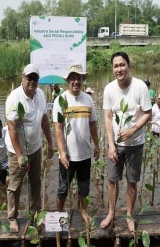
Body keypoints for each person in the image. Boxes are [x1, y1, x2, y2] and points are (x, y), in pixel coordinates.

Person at [100, 52, 152, 232]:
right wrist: (111, 145)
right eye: (116, 66)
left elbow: (147, 113)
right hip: (116, 144)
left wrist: (132, 130)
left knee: (132, 181)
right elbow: (107, 117)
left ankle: (129, 215)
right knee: (112, 180)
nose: (119, 69)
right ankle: (111, 213)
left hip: (135, 144)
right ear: (112, 69)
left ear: (129, 66)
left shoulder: (140, 87)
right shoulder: (109, 89)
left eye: (122, 65)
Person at [5, 64, 54, 232]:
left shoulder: (40, 94)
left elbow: (45, 120)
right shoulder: (14, 98)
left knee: (36, 182)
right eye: (29, 78)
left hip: (35, 148)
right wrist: (19, 155)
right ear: (22, 78)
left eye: (35, 78)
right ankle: (12, 217)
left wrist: (50, 142)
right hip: (16, 151)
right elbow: (12, 128)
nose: (32, 81)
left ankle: (35, 213)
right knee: (15, 185)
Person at [52, 64, 100, 223]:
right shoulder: (61, 100)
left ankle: (84, 211)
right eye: (73, 78)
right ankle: (59, 214)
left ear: (82, 80)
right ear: (68, 81)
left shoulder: (88, 99)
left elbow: (93, 124)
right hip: (67, 156)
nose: (76, 81)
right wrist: (62, 152)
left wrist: (97, 145)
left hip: (85, 154)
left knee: (84, 188)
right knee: (63, 189)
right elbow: (58, 129)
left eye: (78, 78)